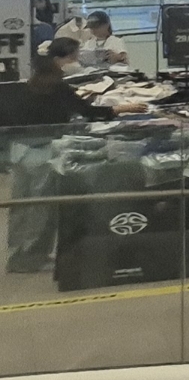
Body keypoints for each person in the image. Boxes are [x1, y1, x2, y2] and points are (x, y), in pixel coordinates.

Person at [1, 38, 110, 275]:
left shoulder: (26, 88)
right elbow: (88, 111)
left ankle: (18, 254)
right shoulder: (59, 89)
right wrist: (118, 109)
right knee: (43, 208)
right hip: (45, 154)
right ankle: (33, 255)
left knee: (21, 206)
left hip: (20, 153)